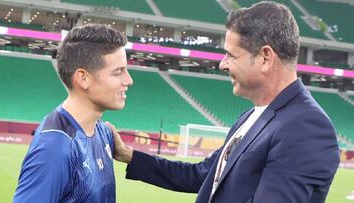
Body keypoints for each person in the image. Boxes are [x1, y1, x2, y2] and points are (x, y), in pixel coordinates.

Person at [108, 1, 340, 203]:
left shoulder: (305, 126)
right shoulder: (251, 116)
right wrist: (129, 154)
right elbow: (203, 175)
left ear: (266, 58)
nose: (222, 64)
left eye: (231, 55)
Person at [13, 24, 133, 202]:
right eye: (118, 72)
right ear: (83, 78)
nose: (129, 80)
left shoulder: (104, 132)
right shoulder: (54, 147)